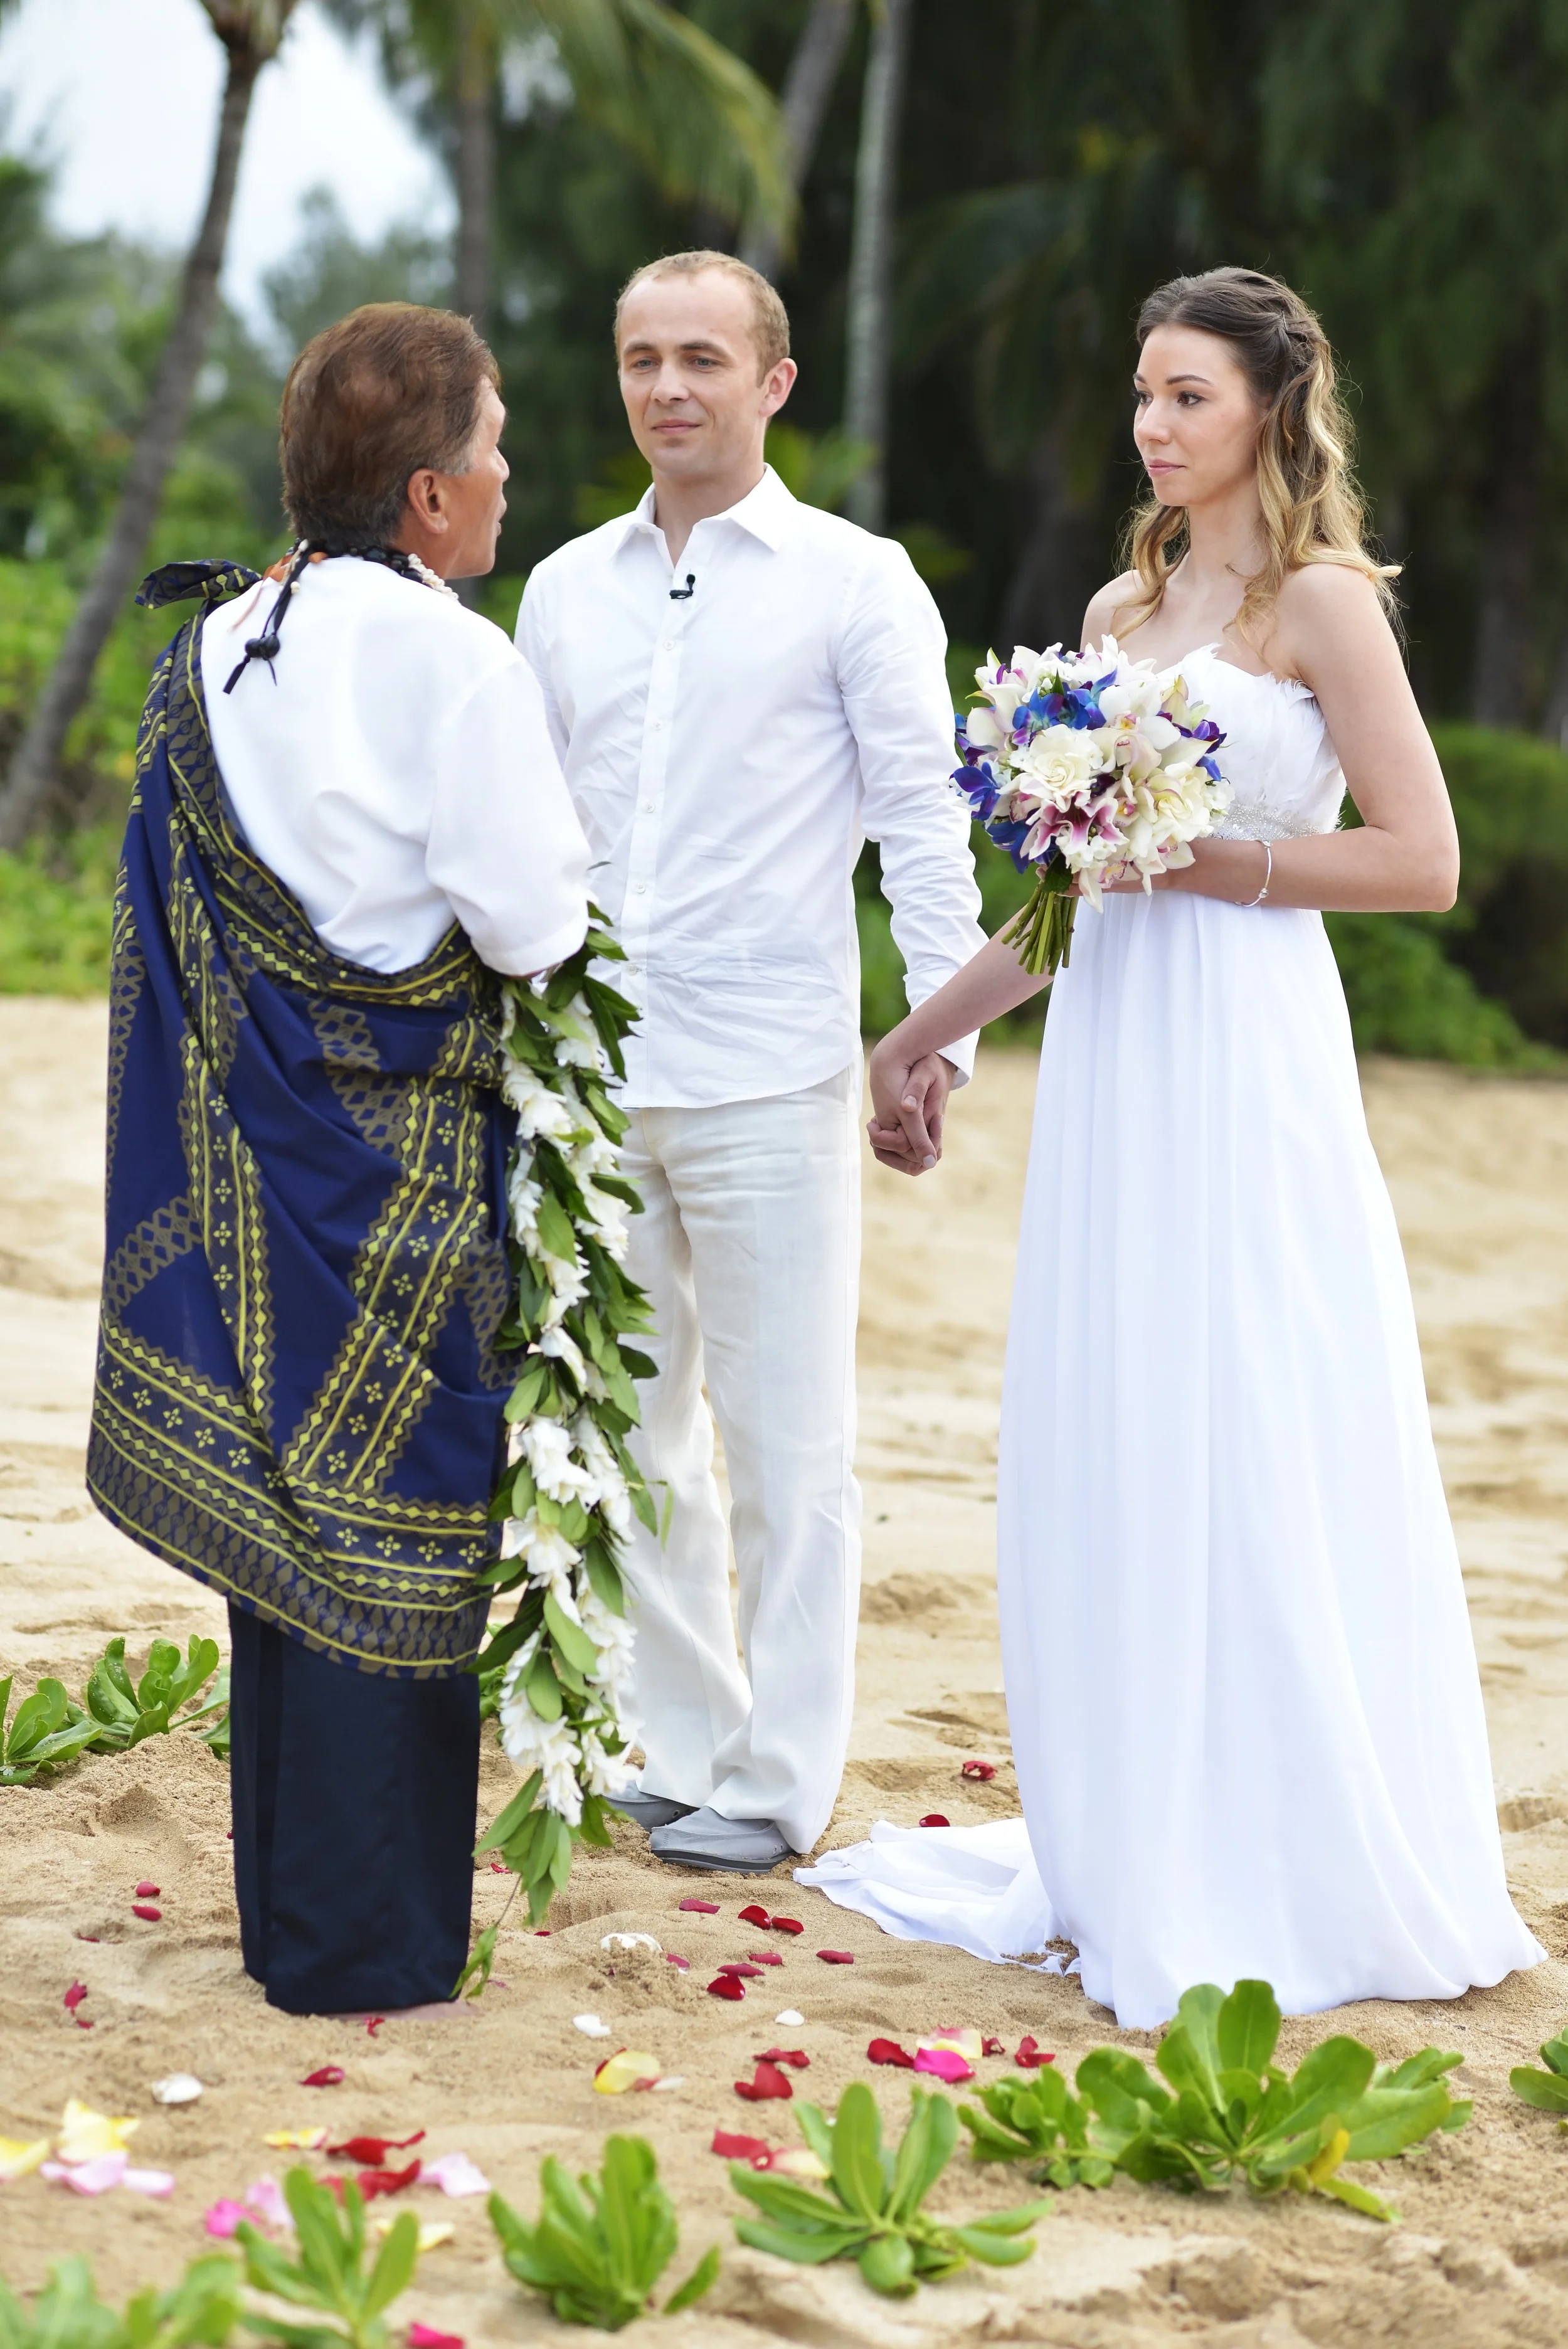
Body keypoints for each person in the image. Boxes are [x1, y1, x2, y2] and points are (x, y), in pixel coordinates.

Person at [800, 266, 1544, 2024]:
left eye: (1188, 394)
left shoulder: (1323, 611)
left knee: (1257, 1393)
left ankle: (1275, 1835)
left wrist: (1225, 858)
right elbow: (1072, 891)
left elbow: (1422, 861)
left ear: (1270, 411)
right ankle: (1133, 1825)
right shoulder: (1116, 609)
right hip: (1122, 1047)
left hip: (1249, 1035)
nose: (1152, 421)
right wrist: (916, 1035)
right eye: (1141, 392)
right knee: (1122, 1401)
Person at [87, 304, 591, 2014]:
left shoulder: (225, 638)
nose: (510, 480)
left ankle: (287, 1917)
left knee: (293, 1529)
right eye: (499, 451)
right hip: (399, 1165)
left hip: (251, 1157)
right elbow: (527, 926)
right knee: (401, 1521)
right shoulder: (460, 661)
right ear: (433, 498)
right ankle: (364, 1946)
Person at [516, 250, 985, 1873]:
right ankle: (685, 1741)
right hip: (585, 1072)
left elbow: (923, 819)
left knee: (789, 1443)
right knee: (626, 1433)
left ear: (771, 383)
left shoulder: (855, 580)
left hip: (773, 1068)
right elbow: (533, 829)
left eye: (701, 358)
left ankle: (781, 1784)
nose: (667, 388)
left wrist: (935, 1040)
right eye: (641, 357)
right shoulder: (565, 586)